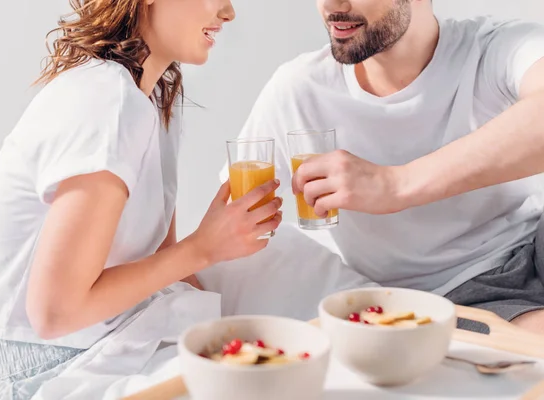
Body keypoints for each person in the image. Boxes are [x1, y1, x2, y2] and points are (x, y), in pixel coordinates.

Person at [0, 0, 284, 397]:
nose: (228, 12)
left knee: (287, 292)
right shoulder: (105, 100)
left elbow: (162, 258)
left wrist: (225, 331)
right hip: (41, 367)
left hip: (111, 328)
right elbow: (53, 313)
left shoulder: (155, 97)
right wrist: (204, 248)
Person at [232, 0, 544, 333]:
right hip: (455, 298)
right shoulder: (299, 91)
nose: (331, 5)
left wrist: (395, 185)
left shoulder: (494, 48)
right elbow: (232, 224)